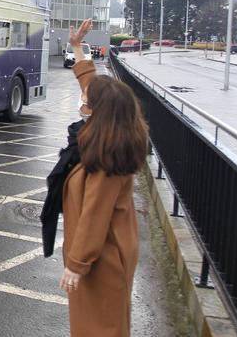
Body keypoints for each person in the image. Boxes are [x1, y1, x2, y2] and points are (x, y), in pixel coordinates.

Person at [57, 18, 148, 337]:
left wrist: (77, 265)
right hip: (104, 252)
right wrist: (78, 47)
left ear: (101, 113)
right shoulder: (109, 134)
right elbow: (90, 82)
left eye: (87, 101)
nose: (82, 101)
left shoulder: (107, 161)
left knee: (100, 326)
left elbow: (95, 217)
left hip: (104, 259)